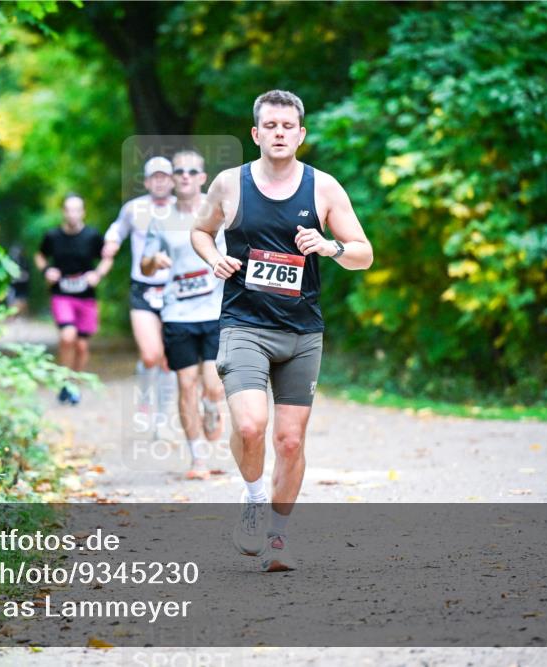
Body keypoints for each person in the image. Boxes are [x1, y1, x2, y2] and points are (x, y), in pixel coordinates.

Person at [191, 89, 373, 572]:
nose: (278, 133)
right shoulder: (230, 184)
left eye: (287, 126)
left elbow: (364, 253)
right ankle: (252, 499)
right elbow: (200, 230)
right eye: (269, 126)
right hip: (244, 324)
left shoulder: (324, 188)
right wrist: (214, 258)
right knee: (250, 425)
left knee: (290, 441)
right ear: (255, 134)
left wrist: (329, 247)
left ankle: (278, 538)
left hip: (301, 332)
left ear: (300, 133)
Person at [141, 150, 226, 480]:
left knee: (214, 386)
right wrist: (154, 262)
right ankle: (198, 458)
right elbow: (145, 265)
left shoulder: (221, 213)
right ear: (173, 179)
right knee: (185, 384)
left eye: (193, 171)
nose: (186, 176)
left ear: (203, 178)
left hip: (215, 311)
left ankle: (213, 405)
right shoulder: (161, 222)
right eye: (180, 171)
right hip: (177, 313)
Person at [103, 157, 177, 422]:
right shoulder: (134, 209)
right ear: (147, 182)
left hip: (175, 289)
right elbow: (116, 230)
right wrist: (110, 243)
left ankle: (164, 412)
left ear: (172, 180)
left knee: (169, 359)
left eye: (164, 176)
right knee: (150, 355)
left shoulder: (184, 209)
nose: (159, 181)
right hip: (143, 288)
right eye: (154, 177)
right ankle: (144, 402)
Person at [35, 194, 113, 405]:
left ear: (83, 212)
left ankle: (74, 383)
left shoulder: (92, 236)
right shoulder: (52, 236)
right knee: (68, 336)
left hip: (86, 297)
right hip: (62, 294)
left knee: (81, 346)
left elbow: (107, 257)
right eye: (69, 209)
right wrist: (47, 271)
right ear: (63, 212)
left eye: (77, 209)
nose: (73, 214)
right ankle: (64, 380)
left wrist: (97, 274)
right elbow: (40, 256)